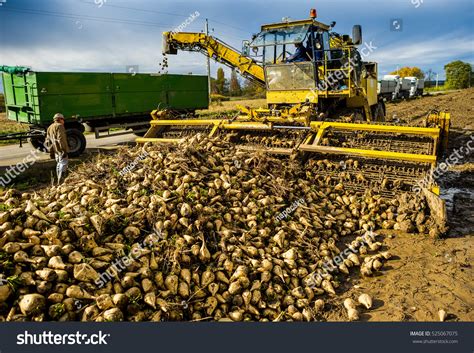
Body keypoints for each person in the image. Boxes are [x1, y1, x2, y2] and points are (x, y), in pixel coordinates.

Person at [46, 113, 69, 184]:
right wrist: (64, 150)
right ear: (60, 119)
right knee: (63, 164)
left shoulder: (50, 127)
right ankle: (61, 181)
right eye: (63, 119)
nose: (64, 121)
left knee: (58, 164)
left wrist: (51, 151)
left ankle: (58, 181)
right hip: (61, 150)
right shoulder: (60, 126)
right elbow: (61, 139)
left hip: (55, 151)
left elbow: (47, 141)